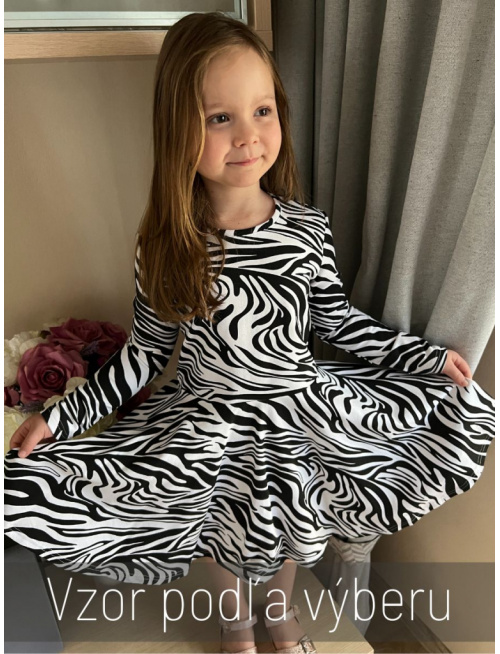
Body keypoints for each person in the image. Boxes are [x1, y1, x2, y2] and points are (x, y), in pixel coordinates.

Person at [4, 11, 495, 654]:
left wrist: (423, 358)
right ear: (178, 128)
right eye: (219, 117)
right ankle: (235, 625)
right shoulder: (166, 245)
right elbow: (143, 357)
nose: (248, 135)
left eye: (262, 110)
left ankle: (280, 613)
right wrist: (59, 419)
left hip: (298, 409)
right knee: (219, 528)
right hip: (207, 420)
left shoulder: (307, 231)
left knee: (289, 522)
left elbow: (339, 322)